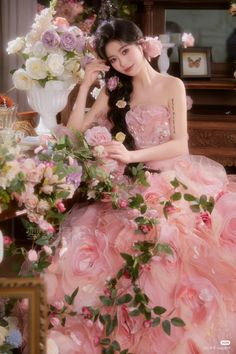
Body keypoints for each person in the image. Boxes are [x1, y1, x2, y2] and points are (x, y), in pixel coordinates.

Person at [45, 18, 236, 353]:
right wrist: (86, 83)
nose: (122, 62)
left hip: (173, 182)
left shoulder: (171, 84)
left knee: (172, 247)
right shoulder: (115, 88)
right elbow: (74, 134)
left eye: (125, 51)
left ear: (140, 44)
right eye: (114, 59)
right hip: (133, 185)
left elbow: (181, 145)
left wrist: (131, 157)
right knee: (117, 246)